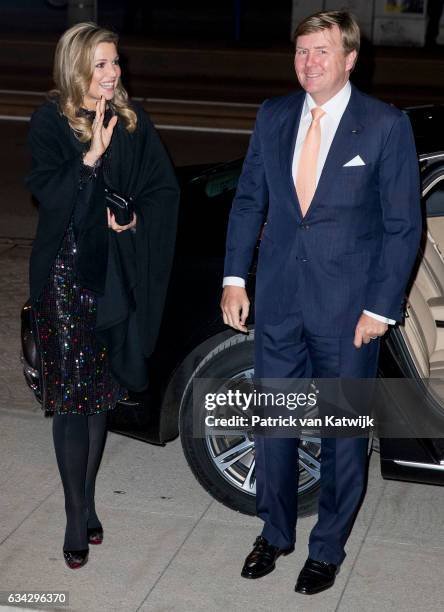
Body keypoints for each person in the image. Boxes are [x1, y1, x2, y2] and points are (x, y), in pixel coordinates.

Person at [221, 10, 421, 595]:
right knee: (274, 428)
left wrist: (381, 308)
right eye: (302, 51)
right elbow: (248, 201)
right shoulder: (274, 115)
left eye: (322, 52)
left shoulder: (384, 125)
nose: (309, 63)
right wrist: (236, 277)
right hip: (281, 301)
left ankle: (326, 548)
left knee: (341, 438)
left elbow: (403, 226)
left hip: (349, 313)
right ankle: (275, 533)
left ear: (350, 59)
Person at [26, 22, 179, 569]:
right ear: (76, 68)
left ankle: (87, 500)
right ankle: (74, 516)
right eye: (101, 65)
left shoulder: (133, 122)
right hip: (65, 280)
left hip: (113, 278)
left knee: (98, 399)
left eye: (116, 63)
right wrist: (90, 155)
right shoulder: (48, 122)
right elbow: (47, 193)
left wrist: (133, 218)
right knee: (72, 400)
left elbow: (164, 190)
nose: (112, 73)